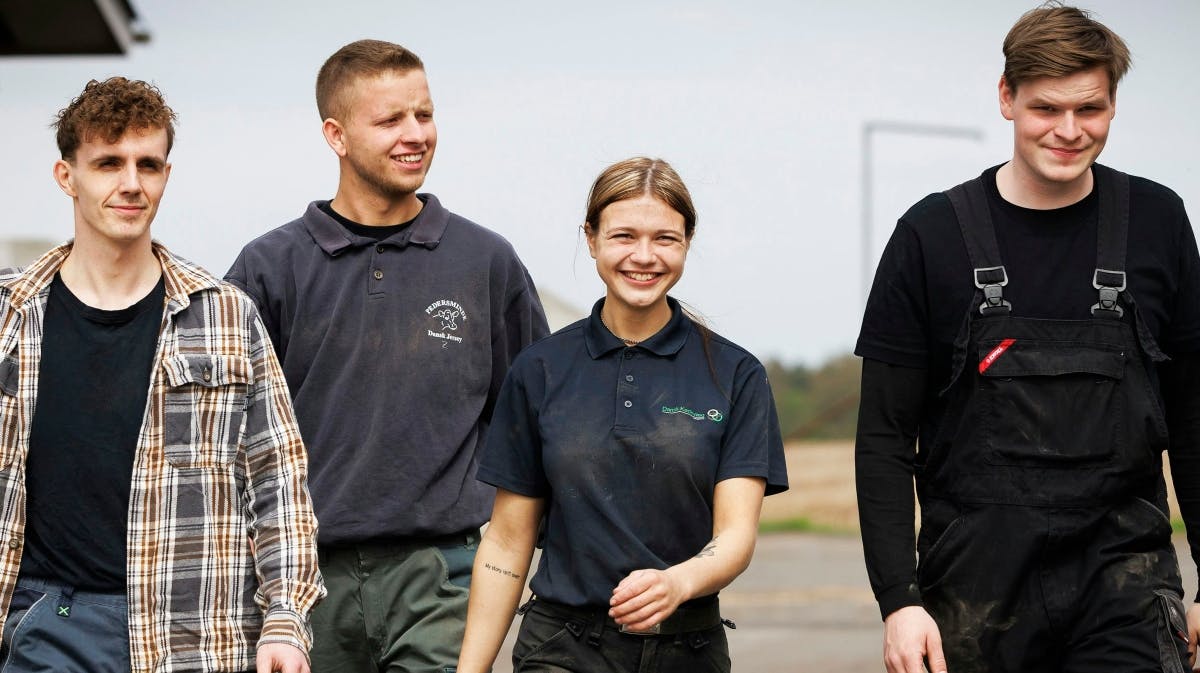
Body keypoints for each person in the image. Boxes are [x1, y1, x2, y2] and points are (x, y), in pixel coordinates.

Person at [855, 5, 1200, 673]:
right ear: (1007, 97)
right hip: (974, 594)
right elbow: (884, 438)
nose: (1069, 131)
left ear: (1113, 104)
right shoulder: (930, 237)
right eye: (1047, 108)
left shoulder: (1158, 222)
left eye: (1090, 109)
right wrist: (899, 599)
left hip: (1123, 584)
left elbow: (1192, 417)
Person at [225, 40, 549, 672]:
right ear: (336, 135)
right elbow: (225, 436)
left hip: (441, 574)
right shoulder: (268, 268)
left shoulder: (485, 261)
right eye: (390, 120)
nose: (415, 135)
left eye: (424, 115)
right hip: (299, 582)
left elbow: (530, 423)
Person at [0, 77, 324, 673]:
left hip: (194, 636)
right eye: (107, 163)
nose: (130, 183)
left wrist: (285, 620)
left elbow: (278, 482)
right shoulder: (9, 315)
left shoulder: (225, 315)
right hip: (47, 621)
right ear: (65, 175)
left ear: (166, 176)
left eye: (147, 164)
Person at [455, 157, 789, 673]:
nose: (644, 256)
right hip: (561, 649)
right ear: (591, 239)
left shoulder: (736, 374)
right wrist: (470, 671)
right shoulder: (539, 370)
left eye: (665, 239)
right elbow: (506, 540)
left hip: (689, 650)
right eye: (624, 236)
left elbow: (735, 536)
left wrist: (677, 582)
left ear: (687, 243)